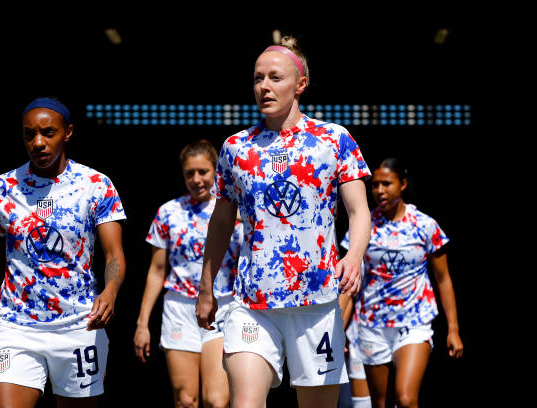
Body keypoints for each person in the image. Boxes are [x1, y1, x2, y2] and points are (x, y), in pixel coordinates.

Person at [195, 36, 372, 408]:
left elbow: (359, 212)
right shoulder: (236, 148)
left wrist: (353, 257)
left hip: (318, 303)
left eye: (275, 78)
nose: (264, 86)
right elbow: (221, 222)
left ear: (300, 84)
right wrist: (207, 288)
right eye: (258, 78)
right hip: (252, 302)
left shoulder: (333, 139)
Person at [0, 96, 127, 408]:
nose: (38, 142)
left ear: (67, 133)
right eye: (29, 134)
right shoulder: (2, 187)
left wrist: (111, 290)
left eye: (48, 133)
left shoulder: (95, 185)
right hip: (16, 327)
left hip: (79, 326)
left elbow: (115, 255)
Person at [341, 157, 463, 408]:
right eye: (375, 185)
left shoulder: (425, 225)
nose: (379, 190)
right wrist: (338, 328)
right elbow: (349, 282)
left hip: (414, 321)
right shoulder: (364, 226)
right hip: (371, 324)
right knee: (380, 403)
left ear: (403, 184)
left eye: (387, 183)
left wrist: (453, 329)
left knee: (406, 399)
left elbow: (443, 279)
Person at [133, 139, 243, 408]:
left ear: (216, 171)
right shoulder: (168, 212)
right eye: (189, 173)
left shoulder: (233, 211)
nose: (196, 179)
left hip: (223, 307)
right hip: (179, 309)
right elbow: (157, 271)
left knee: (216, 401)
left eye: (203, 172)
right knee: (186, 400)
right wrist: (142, 323)